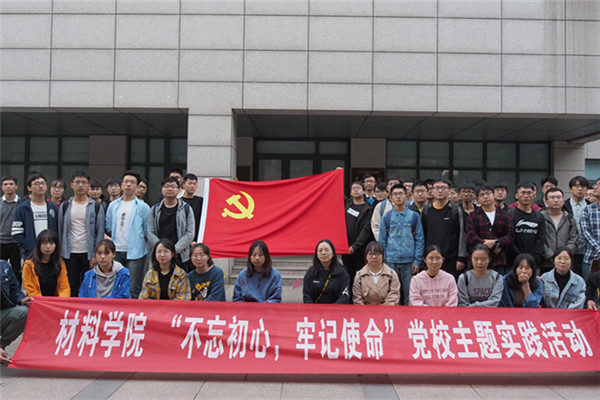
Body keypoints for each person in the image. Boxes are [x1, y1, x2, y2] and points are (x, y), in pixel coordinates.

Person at [58, 171, 105, 297]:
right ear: (72, 185)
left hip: (88, 253)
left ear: (88, 185)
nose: (80, 185)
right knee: (71, 285)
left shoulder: (95, 207)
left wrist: (96, 254)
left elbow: (100, 232)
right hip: (69, 253)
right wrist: (60, 253)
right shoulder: (65, 206)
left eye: (83, 182)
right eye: (77, 182)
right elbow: (60, 230)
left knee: (88, 285)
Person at [105, 170, 151, 299]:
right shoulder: (113, 205)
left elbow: (147, 230)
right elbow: (109, 226)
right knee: (115, 285)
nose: (128, 184)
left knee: (133, 287)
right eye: (126, 182)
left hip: (136, 252)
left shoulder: (143, 207)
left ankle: (133, 310)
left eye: (132, 182)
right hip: (116, 250)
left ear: (137, 187)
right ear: (121, 185)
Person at [379, 183, 424, 305]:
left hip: (409, 262)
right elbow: (382, 240)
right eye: (395, 194)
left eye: (401, 194)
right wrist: (385, 259)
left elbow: (419, 239)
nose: (398, 197)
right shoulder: (387, 217)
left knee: (410, 295)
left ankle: (410, 316)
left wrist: (417, 260)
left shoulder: (414, 216)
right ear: (390, 197)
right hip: (391, 261)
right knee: (394, 295)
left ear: (406, 196)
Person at [421, 178, 468, 280]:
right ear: (432, 191)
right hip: (431, 259)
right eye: (437, 188)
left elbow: (462, 234)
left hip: (451, 258)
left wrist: (461, 258)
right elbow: (423, 234)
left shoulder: (456, 210)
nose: (440, 191)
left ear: (449, 190)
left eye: (443, 188)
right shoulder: (426, 210)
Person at [466, 183, 514, 275]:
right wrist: (485, 244)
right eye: (482, 195)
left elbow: (510, 235)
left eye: (488, 193)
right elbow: (471, 236)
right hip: (478, 260)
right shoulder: (473, 216)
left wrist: (496, 242)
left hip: (498, 259)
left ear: (494, 195)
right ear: (477, 199)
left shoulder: (505, 215)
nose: (485, 197)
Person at [147, 176, 195, 268]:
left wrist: (173, 250)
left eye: (173, 186)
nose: (169, 189)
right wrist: (162, 249)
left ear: (179, 190)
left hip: (180, 255)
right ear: (162, 189)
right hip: (160, 256)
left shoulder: (186, 209)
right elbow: (150, 232)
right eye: (166, 186)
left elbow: (190, 233)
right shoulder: (155, 209)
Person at [12, 172, 59, 261]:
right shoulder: (22, 208)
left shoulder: (52, 207)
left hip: (51, 255)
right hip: (30, 255)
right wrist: (28, 249)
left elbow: (58, 230)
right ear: (29, 187)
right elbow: (16, 234)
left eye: (43, 183)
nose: (40, 186)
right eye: (37, 184)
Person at [508, 181, 545, 270]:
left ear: (534, 195)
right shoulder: (509, 215)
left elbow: (540, 240)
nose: (526, 196)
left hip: (534, 263)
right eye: (523, 193)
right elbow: (509, 239)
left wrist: (530, 258)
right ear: (517, 195)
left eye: (529, 193)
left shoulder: (539, 216)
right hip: (513, 262)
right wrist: (520, 257)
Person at [540, 188, 578, 274]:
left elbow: (574, 239)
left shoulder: (570, 219)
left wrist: (564, 256)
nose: (556, 200)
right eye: (552, 198)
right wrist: (552, 256)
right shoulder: (540, 217)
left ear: (563, 200)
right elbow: (539, 240)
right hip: (545, 263)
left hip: (565, 264)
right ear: (546, 201)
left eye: (559, 197)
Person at [22, 229, 70, 297]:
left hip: (55, 301)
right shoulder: (29, 265)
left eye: (51, 243)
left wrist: (61, 301)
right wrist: (43, 302)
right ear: (39, 245)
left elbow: (64, 287)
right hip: (36, 300)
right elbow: (31, 289)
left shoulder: (60, 263)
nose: (48, 246)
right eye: (44, 243)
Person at [343, 182, 374, 283]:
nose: (355, 190)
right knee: (348, 276)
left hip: (360, 249)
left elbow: (366, 230)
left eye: (358, 188)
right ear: (351, 193)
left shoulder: (368, 209)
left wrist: (355, 246)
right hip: (346, 249)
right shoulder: (347, 204)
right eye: (353, 188)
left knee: (362, 277)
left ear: (364, 191)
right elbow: (336, 192)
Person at [303, 239, 350, 304]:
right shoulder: (311, 272)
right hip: (315, 309)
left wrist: (332, 309)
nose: (323, 253)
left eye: (327, 250)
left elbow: (344, 296)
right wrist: (313, 308)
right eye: (320, 250)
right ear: (316, 254)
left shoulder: (342, 273)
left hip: (336, 309)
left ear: (333, 253)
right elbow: (306, 295)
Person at [352, 241, 400, 305]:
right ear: (366, 256)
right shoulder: (359, 276)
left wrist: (382, 309)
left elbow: (394, 296)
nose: (374, 257)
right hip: (365, 310)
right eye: (370, 253)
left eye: (377, 253)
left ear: (383, 256)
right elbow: (357, 299)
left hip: (387, 309)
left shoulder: (392, 274)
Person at [1, 259, 32, 355]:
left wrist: (21, 300)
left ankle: (1, 347)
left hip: (3, 313)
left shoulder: (4, 266)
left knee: (24, 312)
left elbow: (14, 288)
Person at [578, 177, 600, 282]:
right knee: (589, 289)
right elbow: (586, 232)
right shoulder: (587, 210)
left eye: (599, 185)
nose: (595, 187)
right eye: (595, 184)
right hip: (591, 258)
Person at [0, 176, 21, 282]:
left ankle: (17, 292)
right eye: (5, 184)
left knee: (17, 272)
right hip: (1, 242)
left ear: (16, 186)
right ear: (2, 187)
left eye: (11, 184)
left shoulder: (21, 203)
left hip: (16, 243)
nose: (8, 186)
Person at [370, 176, 400, 241]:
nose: (393, 185)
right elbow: (376, 226)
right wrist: (382, 241)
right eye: (390, 184)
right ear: (387, 187)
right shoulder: (381, 206)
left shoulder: (408, 205)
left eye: (396, 183)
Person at [180, 173, 204, 244]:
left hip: (198, 237)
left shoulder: (201, 201)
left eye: (194, 184)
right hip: (183, 238)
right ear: (184, 185)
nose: (192, 186)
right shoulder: (179, 202)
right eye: (190, 183)